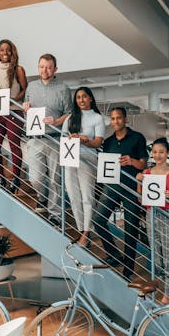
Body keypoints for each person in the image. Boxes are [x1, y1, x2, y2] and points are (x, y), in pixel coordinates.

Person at [93, 107, 148, 280]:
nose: (115, 121)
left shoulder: (137, 138)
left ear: (125, 119)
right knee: (98, 220)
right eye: (113, 118)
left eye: (119, 118)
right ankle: (114, 254)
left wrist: (132, 161)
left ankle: (128, 269)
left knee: (131, 230)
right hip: (111, 187)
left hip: (131, 188)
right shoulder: (108, 142)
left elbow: (143, 165)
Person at [23, 54, 72, 224]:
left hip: (55, 139)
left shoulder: (64, 89)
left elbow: (69, 114)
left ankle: (55, 215)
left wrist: (57, 121)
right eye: (41, 66)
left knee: (55, 180)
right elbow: (27, 110)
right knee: (34, 178)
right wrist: (25, 108)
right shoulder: (31, 87)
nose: (45, 70)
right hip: (34, 139)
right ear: (38, 67)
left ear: (55, 69)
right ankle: (42, 198)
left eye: (49, 67)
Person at [136, 137, 169, 304]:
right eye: (155, 152)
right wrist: (139, 181)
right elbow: (141, 199)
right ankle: (159, 285)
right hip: (151, 215)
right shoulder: (147, 173)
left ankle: (168, 294)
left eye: (161, 152)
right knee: (156, 257)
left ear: (167, 153)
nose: (157, 155)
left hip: (168, 216)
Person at [62, 87, 105, 247]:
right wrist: (71, 138)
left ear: (90, 99)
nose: (81, 100)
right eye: (78, 97)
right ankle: (81, 230)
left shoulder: (97, 118)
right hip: (70, 159)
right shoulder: (70, 118)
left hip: (88, 160)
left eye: (84, 97)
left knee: (87, 197)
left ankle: (86, 233)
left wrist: (84, 140)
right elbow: (63, 138)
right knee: (73, 196)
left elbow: (98, 142)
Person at [0, 39, 27, 194]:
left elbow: (25, 89)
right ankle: (1, 178)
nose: (5, 53)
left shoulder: (18, 69)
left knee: (13, 145)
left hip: (13, 112)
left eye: (8, 50)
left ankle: (15, 178)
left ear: (13, 52)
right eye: (2, 50)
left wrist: (17, 98)